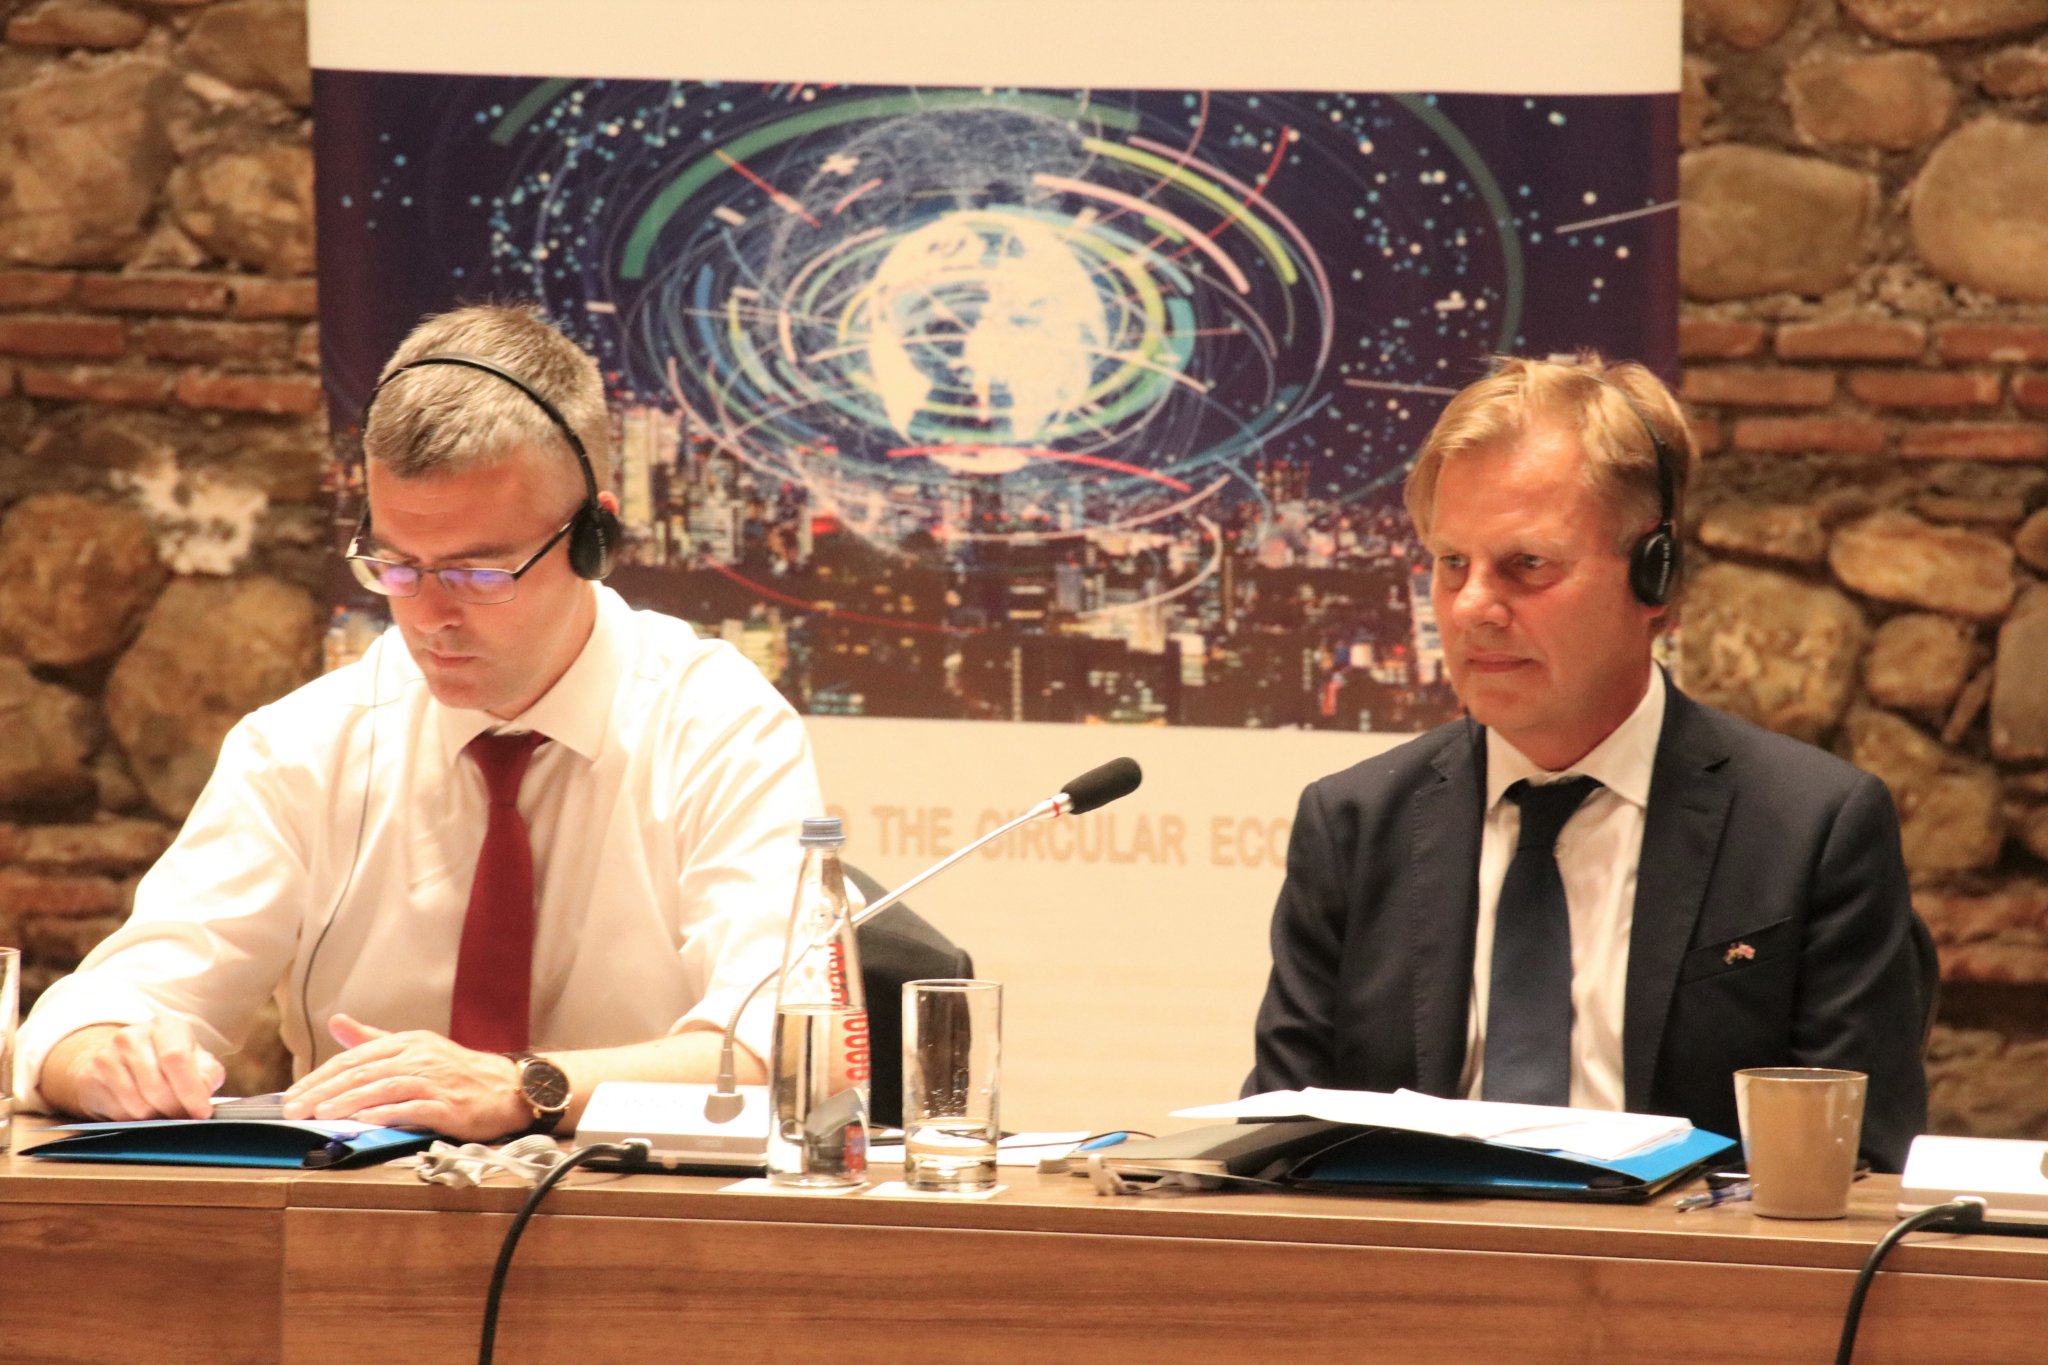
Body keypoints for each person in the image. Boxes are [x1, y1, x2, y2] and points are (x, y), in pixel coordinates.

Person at [18, 305, 823, 1140]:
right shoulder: (304, 747)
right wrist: (101, 1057)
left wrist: (525, 1086)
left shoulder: (720, 729)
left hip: (642, 1209)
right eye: (397, 566)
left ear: (594, 537)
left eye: (478, 573)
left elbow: (790, 1047)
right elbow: (97, 1013)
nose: (430, 616)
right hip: (353, 1211)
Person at [1246, 354, 1931, 1171]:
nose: (1473, 607)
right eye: (1452, 563)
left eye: (1527, 565)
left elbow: (1855, 1166)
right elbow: (1276, 1148)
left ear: (1655, 578)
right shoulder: (1354, 824)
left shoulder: (1810, 828)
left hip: (1685, 1251)